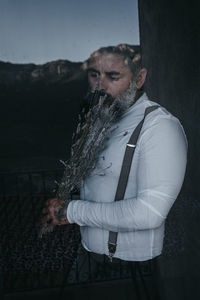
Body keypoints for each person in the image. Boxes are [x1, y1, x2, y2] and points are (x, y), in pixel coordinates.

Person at [41, 44, 188, 298]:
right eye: (94, 75)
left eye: (113, 76)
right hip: (87, 250)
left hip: (131, 266)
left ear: (139, 78)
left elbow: (149, 213)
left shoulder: (160, 127)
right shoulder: (100, 122)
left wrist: (72, 211)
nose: (100, 86)